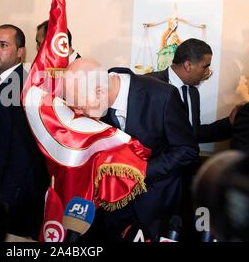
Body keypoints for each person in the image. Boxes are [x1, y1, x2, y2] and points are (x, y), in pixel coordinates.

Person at [63, 58, 199, 240]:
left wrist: (140, 173)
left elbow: (187, 149)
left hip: (155, 203)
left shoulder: (162, 96)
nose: (78, 112)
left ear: (99, 91)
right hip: (113, 208)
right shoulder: (97, 102)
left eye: (79, 105)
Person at [0, 24, 48, 239]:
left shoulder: (21, 85)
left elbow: (23, 149)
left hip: (10, 194)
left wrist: (6, 198)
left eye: (3, 45)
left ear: (20, 53)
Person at [149, 38, 241, 143]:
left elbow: (193, 134)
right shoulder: (149, 84)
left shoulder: (193, 92)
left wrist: (229, 122)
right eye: (205, 67)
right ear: (188, 66)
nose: (207, 72)